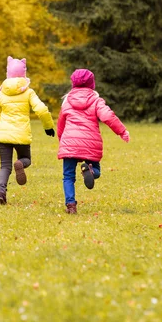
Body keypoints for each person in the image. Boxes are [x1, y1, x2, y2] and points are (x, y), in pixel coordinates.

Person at [57, 69, 130, 214]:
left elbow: (61, 124)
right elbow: (108, 117)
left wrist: (62, 141)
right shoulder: (96, 100)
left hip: (70, 142)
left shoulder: (67, 102)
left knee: (68, 176)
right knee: (96, 170)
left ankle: (71, 205)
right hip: (90, 143)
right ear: (92, 84)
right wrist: (122, 131)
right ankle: (90, 171)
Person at [0, 56, 55, 205]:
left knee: (5, 166)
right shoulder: (28, 92)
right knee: (26, 160)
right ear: (24, 73)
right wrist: (48, 126)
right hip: (22, 134)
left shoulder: (1, 94)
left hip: (3, 136)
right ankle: (20, 164)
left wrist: (4, 127)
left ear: (8, 73)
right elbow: (42, 110)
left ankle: (1, 192)